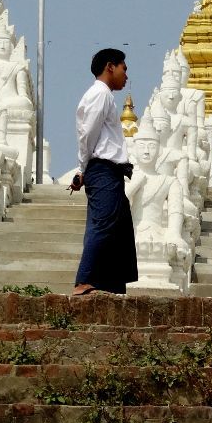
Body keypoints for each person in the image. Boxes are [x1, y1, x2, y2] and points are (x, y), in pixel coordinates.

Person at [69, 48, 137, 297]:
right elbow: (88, 133)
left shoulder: (103, 95)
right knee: (103, 222)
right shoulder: (100, 94)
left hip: (110, 170)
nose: (126, 74)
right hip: (102, 168)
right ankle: (84, 280)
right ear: (111, 67)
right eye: (124, 68)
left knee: (118, 226)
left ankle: (111, 284)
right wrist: (82, 167)